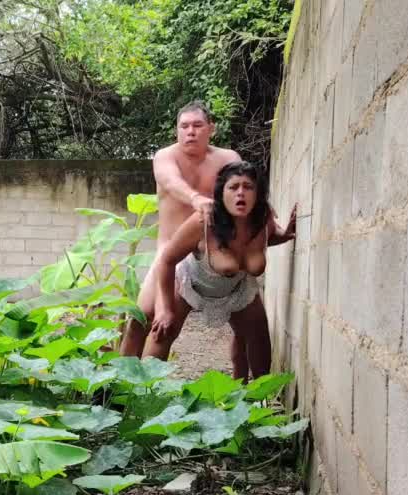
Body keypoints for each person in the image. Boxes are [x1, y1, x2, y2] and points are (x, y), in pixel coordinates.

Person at [120, 100, 292, 377]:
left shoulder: (227, 158)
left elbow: (246, 186)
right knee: (143, 317)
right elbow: (170, 181)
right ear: (177, 130)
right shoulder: (166, 156)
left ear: (211, 129)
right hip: (173, 249)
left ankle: (243, 385)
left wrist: (271, 221)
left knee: (248, 329)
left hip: (216, 247)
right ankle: (118, 385)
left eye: (197, 125)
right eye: (184, 126)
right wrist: (195, 198)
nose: (190, 131)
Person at [139, 161, 296, 379]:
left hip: (238, 289)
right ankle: (141, 390)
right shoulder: (203, 222)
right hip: (191, 283)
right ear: (221, 193)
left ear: (258, 194)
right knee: (163, 331)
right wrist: (165, 309)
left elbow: (268, 238)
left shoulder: (262, 220)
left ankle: (259, 395)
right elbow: (167, 260)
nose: (240, 193)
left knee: (259, 337)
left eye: (248, 187)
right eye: (233, 187)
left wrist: (285, 235)